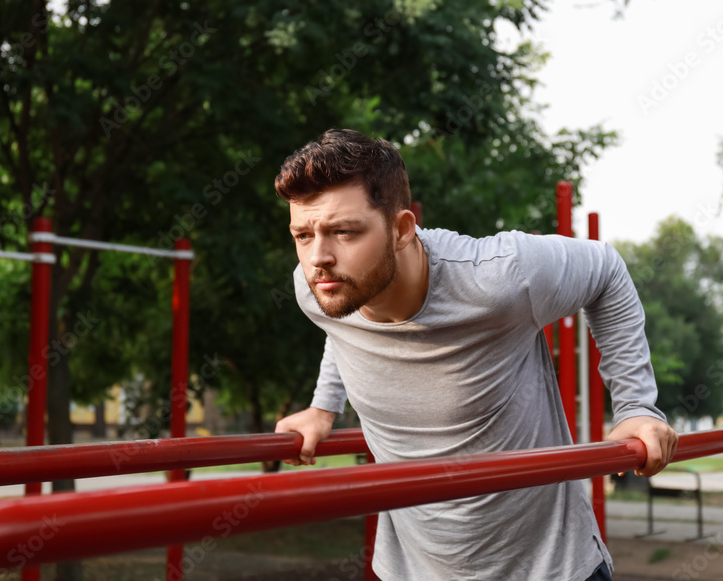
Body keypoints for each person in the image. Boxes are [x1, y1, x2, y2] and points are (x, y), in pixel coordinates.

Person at [275, 129, 678, 581]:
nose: (318, 258)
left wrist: (636, 405)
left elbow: (607, 270)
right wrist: (323, 407)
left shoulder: (500, 277)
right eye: (302, 235)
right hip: (412, 571)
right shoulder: (320, 288)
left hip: (550, 569)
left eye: (343, 232)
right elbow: (342, 324)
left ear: (403, 229)